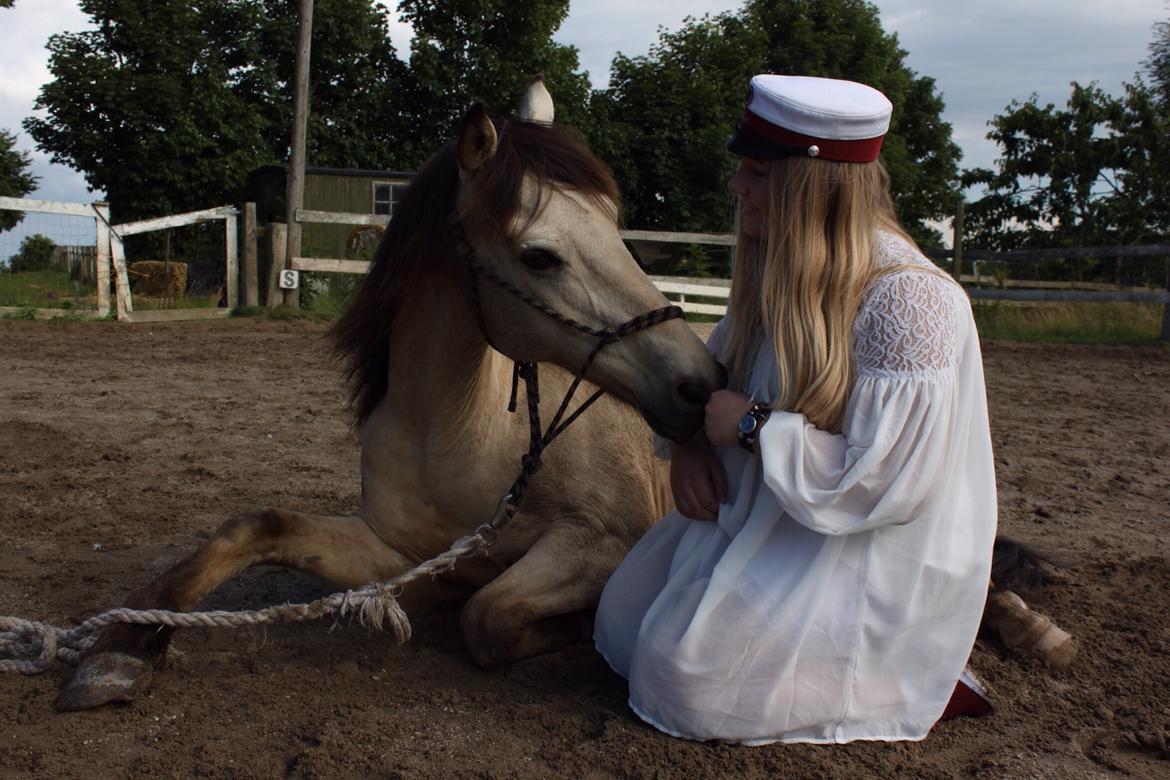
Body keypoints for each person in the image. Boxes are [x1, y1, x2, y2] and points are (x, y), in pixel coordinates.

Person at [594, 74, 997, 745]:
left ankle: (897, 676)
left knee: (682, 681)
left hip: (857, 551)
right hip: (773, 521)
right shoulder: (780, 271)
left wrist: (752, 428)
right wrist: (691, 446)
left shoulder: (911, 301)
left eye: (756, 172)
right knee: (622, 618)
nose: (737, 187)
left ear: (811, 188)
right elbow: (709, 375)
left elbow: (882, 484)